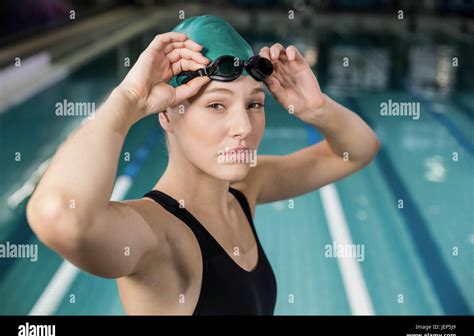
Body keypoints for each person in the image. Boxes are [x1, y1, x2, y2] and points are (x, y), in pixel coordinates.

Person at [26, 15, 380, 315]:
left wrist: (316, 109)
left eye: (254, 105)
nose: (243, 127)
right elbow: (60, 216)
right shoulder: (159, 237)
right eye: (216, 106)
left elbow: (357, 151)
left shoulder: (244, 189)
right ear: (167, 114)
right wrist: (128, 101)